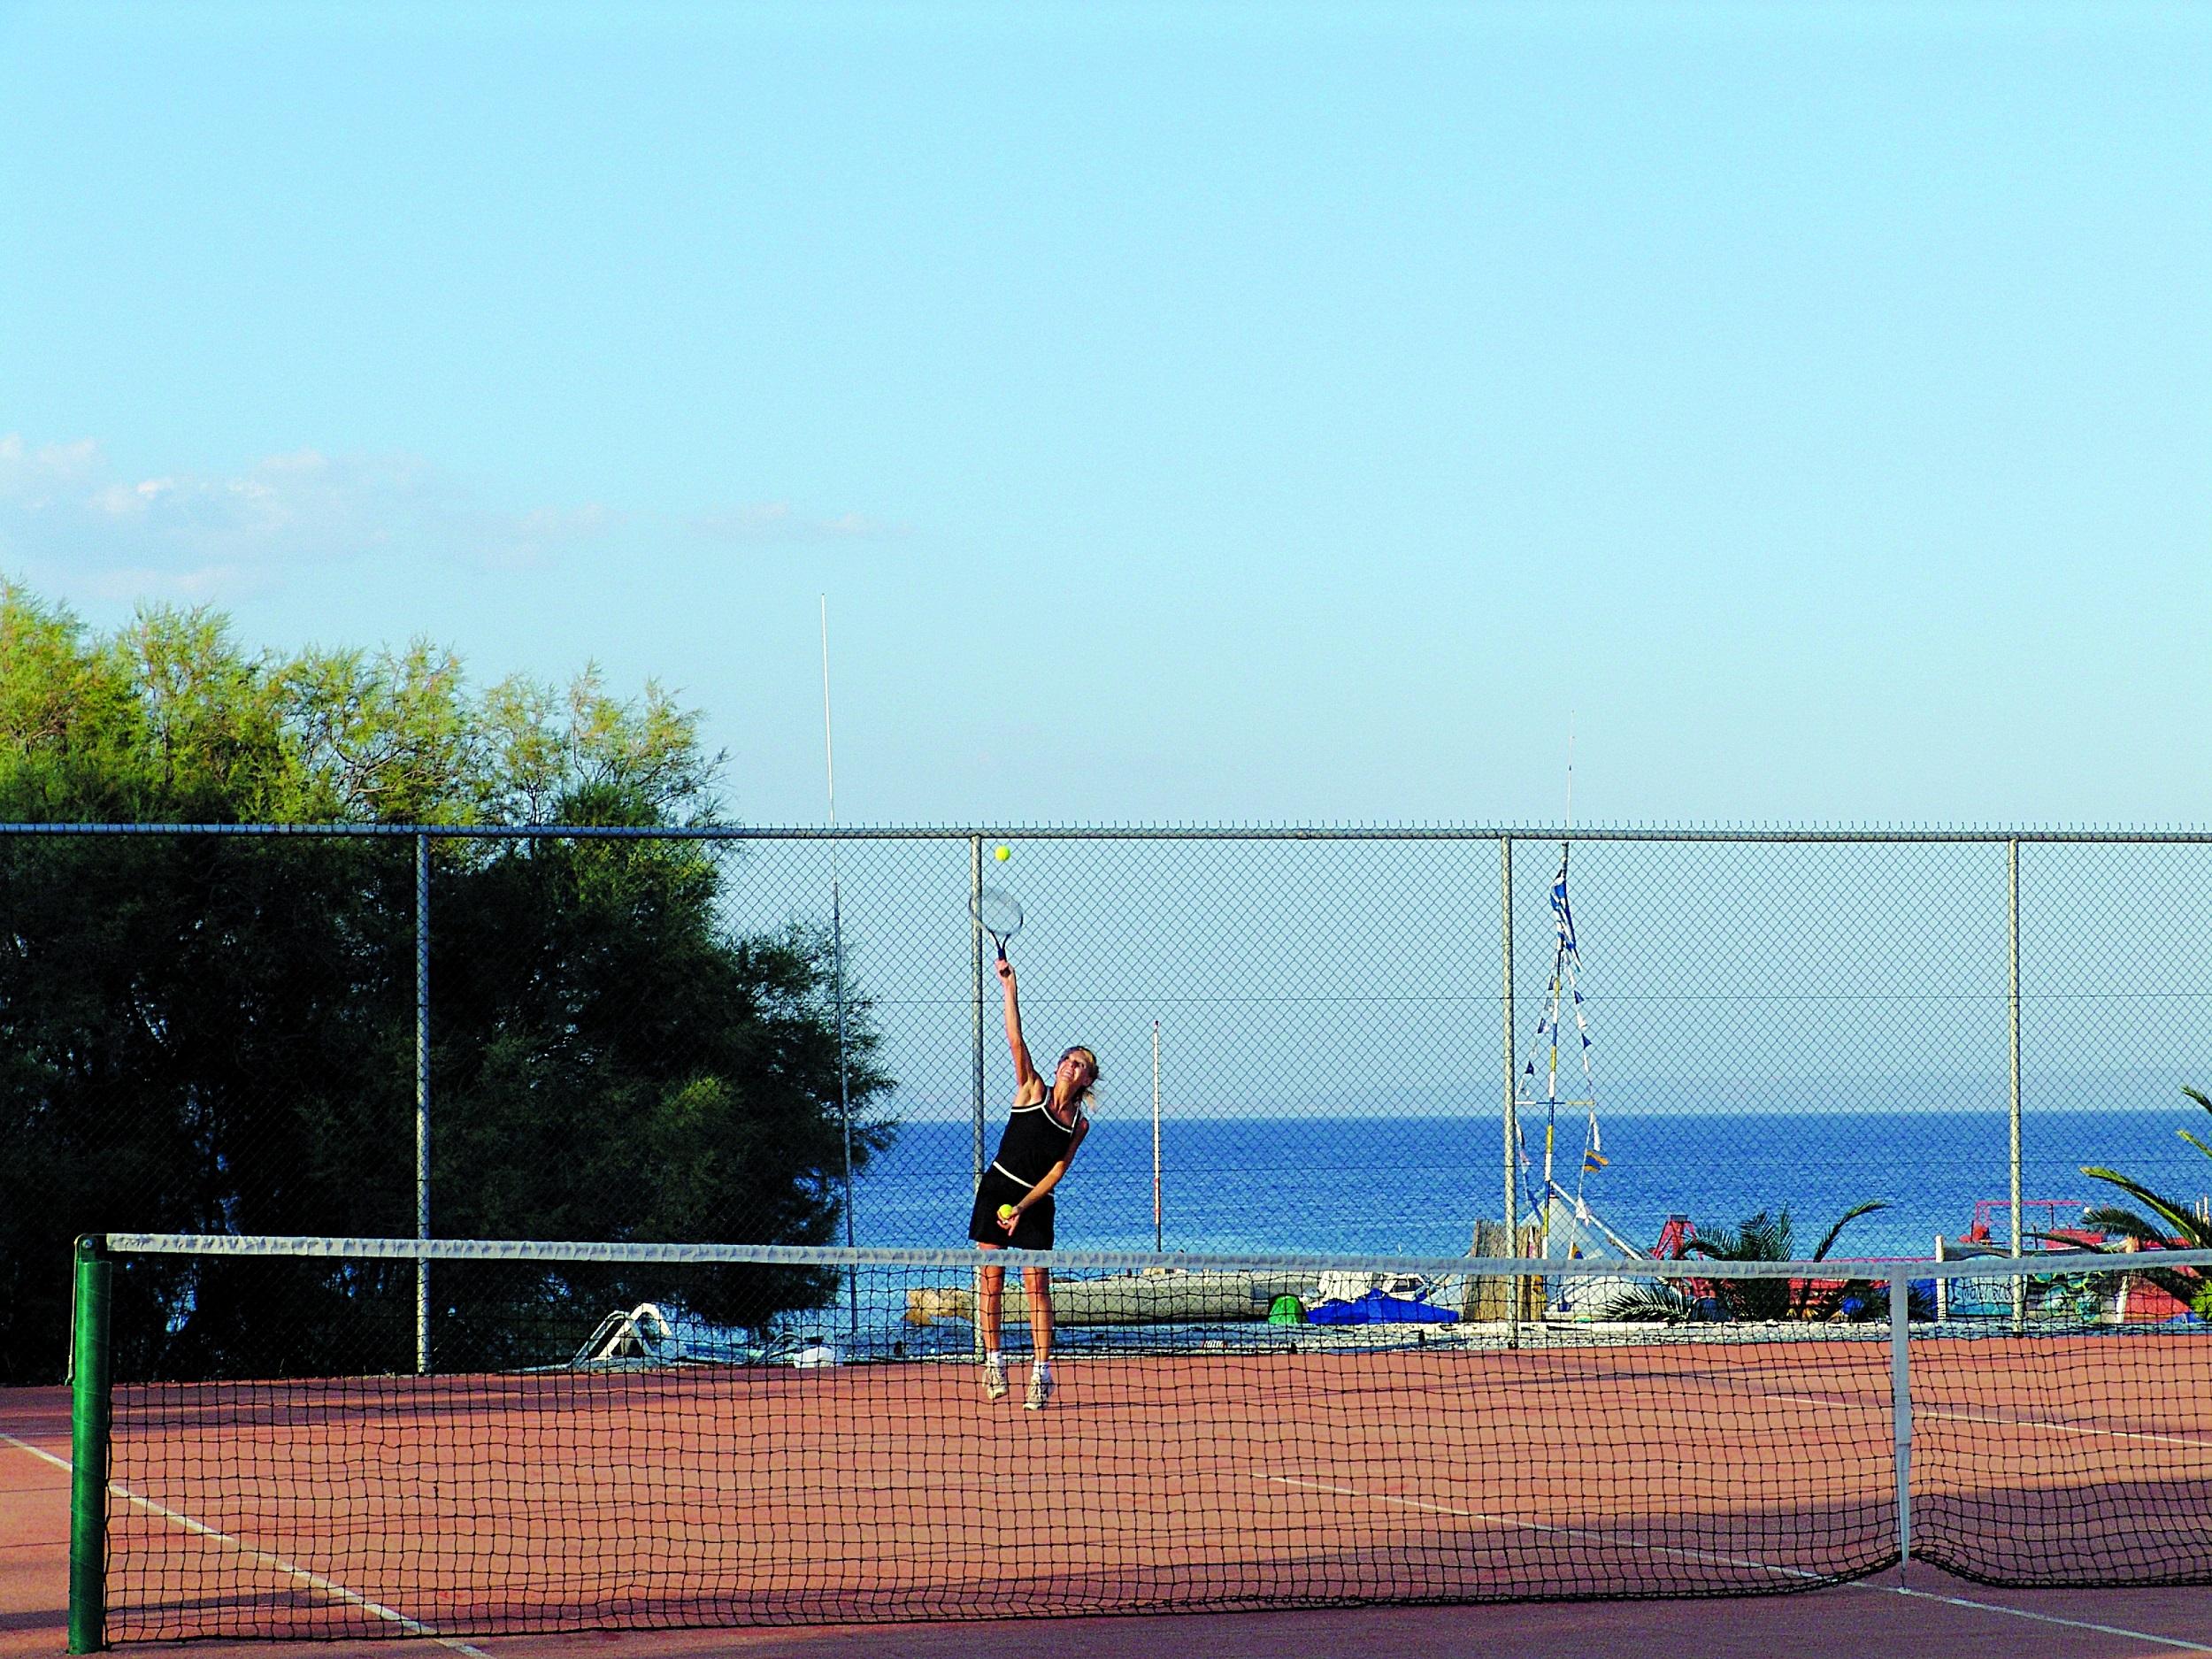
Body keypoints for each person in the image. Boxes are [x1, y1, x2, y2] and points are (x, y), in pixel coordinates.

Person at [968, 954, 1094, 1409]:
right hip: (997, 1188)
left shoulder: (1077, 1123)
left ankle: (1041, 1373)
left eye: (1080, 1065)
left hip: (1035, 1201)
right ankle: (995, 1362)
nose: (1070, 1066)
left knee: (1037, 1286)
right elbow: (1015, 1038)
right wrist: (1008, 987)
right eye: (1067, 1059)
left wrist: (1024, 1207)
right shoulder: (1031, 1089)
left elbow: (1057, 1171)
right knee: (991, 1280)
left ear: (1087, 1079)